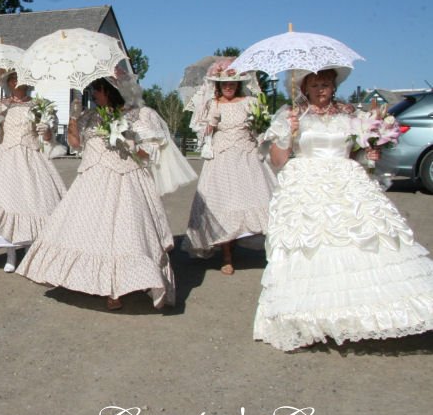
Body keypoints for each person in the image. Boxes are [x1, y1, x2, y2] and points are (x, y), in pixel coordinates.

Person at [254, 68, 433, 351]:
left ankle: (365, 315)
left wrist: (371, 152)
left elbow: (358, 154)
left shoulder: (350, 115)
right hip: (306, 184)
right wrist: (288, 133)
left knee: (366, 241)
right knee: (311, 246)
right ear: (304, 87)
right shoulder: (292, 114)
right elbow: (277, 160)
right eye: (314, 85)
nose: (320, 89)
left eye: (325, 84)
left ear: (334, 86)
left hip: (347, 180)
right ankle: (309, 318)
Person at [17, 69, 195, 310]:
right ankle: (92, 281)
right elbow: (75, 143)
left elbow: (150, 153)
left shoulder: (138, 116)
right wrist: (73, 117)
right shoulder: (90, 116)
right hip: (92, 181)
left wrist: (126, 141)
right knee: (88, 233)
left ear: (111, 90)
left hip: (125, 179)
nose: (93, 94)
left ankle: (118, 288)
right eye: (91, 89)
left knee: (123, 235)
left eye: (96, 89)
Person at [0, 70, 66, 272]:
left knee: (34, 203)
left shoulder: (39, 106)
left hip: (31, 158)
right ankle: (10, 252)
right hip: (5, 158)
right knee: (5, 202)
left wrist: (47, 132)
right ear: (7, 82)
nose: (16, 82)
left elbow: (49, 139)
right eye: (12, 79)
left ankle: (31, 248)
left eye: (19, 78)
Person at [183, 60, 277, 274]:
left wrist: (258, 126)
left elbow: (261, 129)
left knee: (253, 200)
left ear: (239, 84)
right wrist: (210, 125)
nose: (228, 87)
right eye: (224, 83)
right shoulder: (211, 104)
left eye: (232, 83)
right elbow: (201, 134)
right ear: (218, 84)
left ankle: (257, 246)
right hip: (222, 160)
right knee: (224, 204)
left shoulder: (250, 102)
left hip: (246, 158)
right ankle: (226, 255)